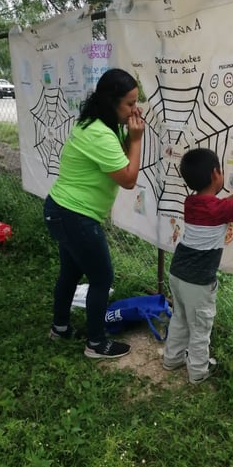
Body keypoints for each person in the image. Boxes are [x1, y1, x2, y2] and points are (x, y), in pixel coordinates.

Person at [43, 68, 145, 359]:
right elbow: (127, 179)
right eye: (129, 103)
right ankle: (96, 344)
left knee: (71, 271)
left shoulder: (96, 124)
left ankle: (60, 328)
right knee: (102, 278)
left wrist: (128, 134)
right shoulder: (100, 133)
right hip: (76, 216)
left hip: (60, 210)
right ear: (111, 102)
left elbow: (118, 159)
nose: (134, 109)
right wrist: (136, 139)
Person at [163, 149, 233, 384]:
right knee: (200, 328)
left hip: (177, 274)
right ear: (215, 173)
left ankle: (172, 359)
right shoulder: (220, 209)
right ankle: (198, 373)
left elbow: (218, 207)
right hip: (198, 282)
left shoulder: (191, 202)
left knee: (179, 317)